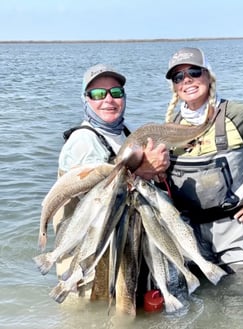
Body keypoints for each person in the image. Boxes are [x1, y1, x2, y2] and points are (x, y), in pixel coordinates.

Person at [53, 63, 169, 300]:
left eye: (116, 93)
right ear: (86, 100)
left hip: (122, 252)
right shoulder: (83, 140)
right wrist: (144, 171)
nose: (108, 100)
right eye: (97, 94)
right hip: (88, 260)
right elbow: (98, 201)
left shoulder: (125, 134)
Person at [164, 47, 243, 272]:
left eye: (194, 72)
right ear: (174, 86)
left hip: (238, 231)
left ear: (209, 75)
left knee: (239, 297)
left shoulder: (239, 115)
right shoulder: (170, 127)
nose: (187, 80)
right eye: (178, 77)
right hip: (190, 237)